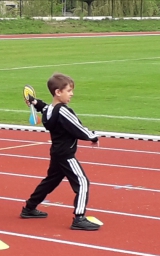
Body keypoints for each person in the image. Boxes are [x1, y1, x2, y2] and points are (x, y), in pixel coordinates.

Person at [20, 73, 101, 231]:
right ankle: (79, 218)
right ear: (58, 92)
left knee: (51, 181)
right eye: (69, 90)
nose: (71, 94)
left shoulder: (51, 110)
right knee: (83, 182)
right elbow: (77, 127)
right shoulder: (63, 111)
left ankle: (29, 208)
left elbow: (44, 108)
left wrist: (34, 102)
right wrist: (93, 137)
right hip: (66, 155)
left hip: (57, 153)